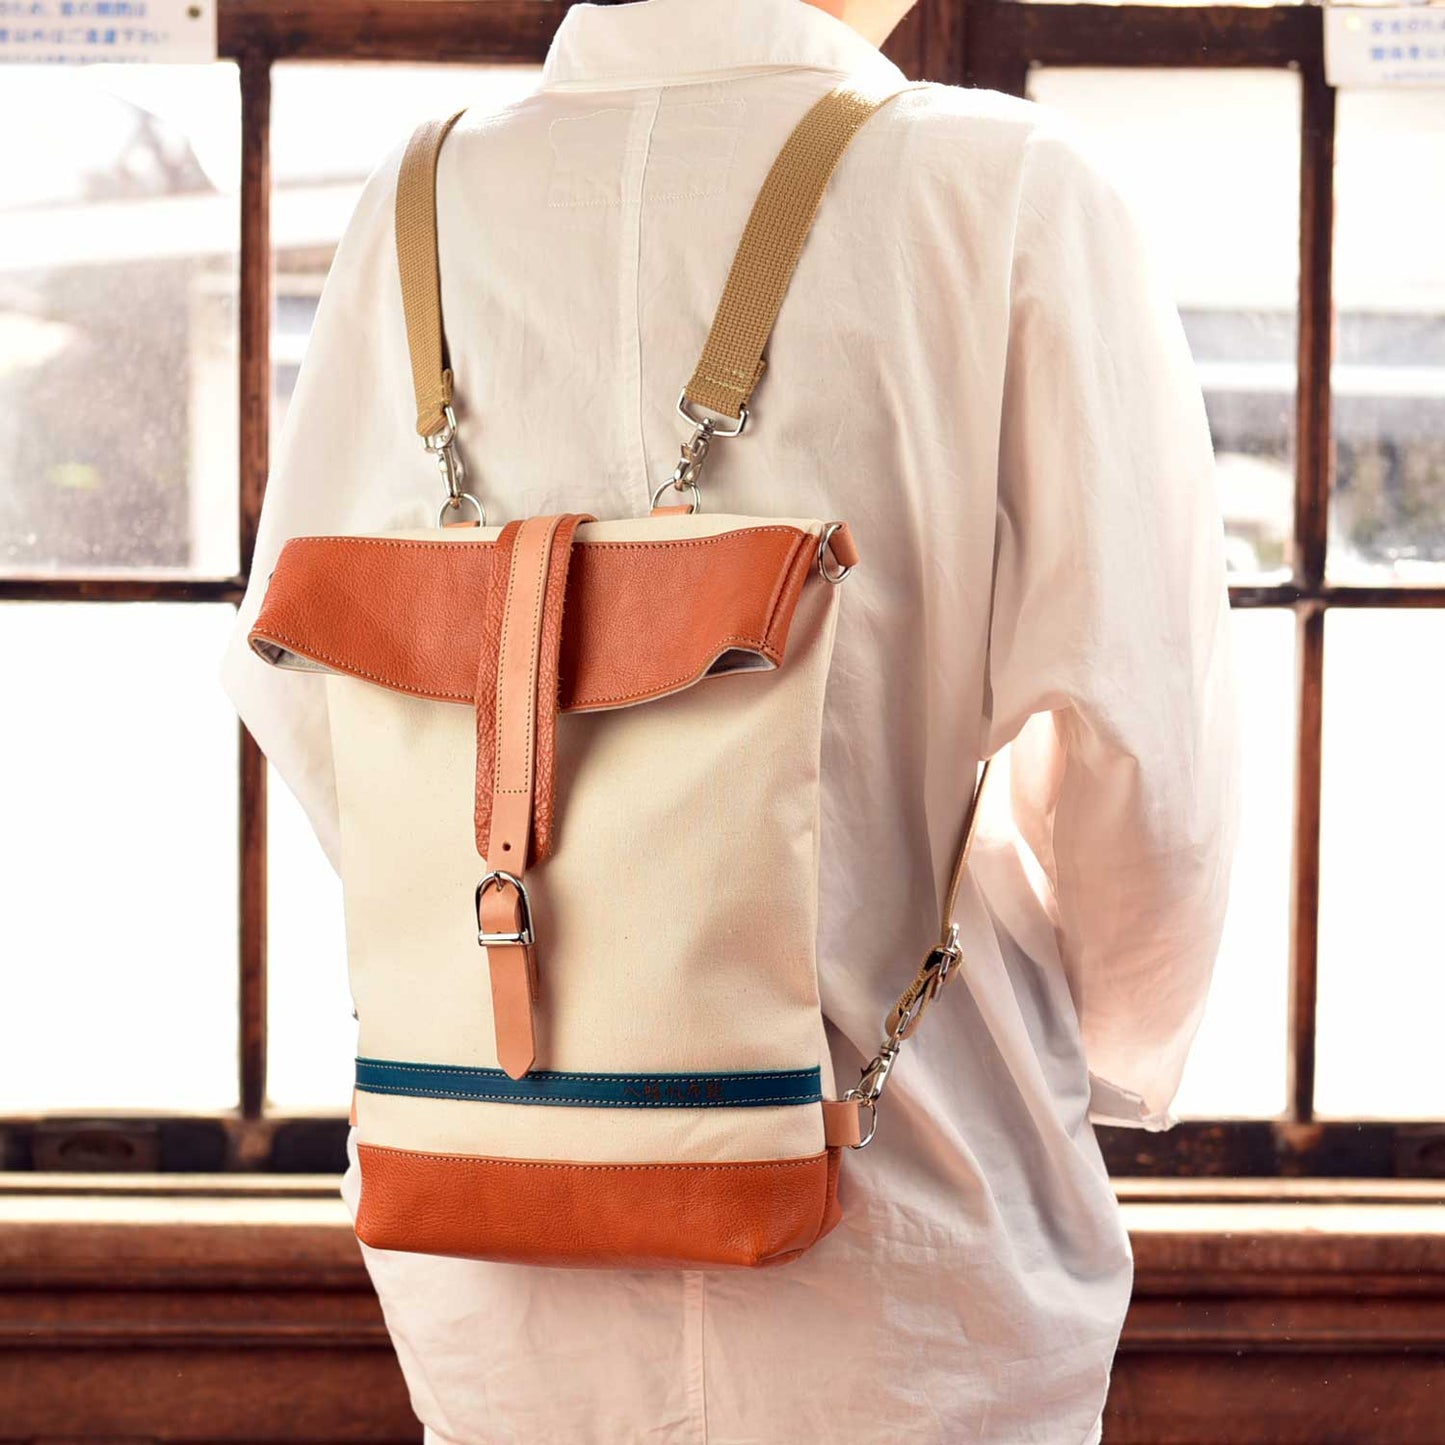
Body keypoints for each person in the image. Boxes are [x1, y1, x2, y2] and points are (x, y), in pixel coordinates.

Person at [219, 0, 1243, 1439]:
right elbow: (1149, 749)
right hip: (916, 1223)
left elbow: (297, 678)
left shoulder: (423, 193)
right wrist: (1113, 1045)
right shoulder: (1009, 184)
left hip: (492, 1218)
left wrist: (549, 922)